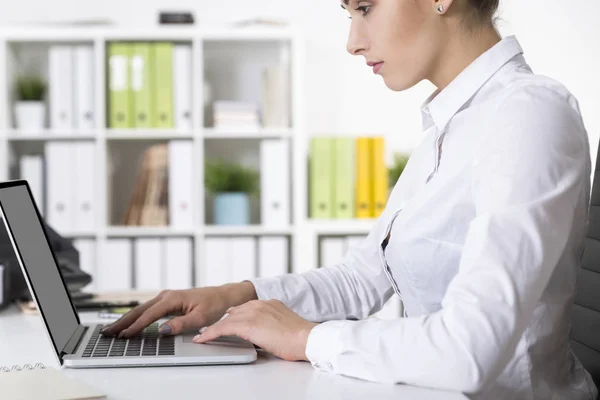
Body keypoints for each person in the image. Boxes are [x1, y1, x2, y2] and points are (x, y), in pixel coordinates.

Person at [101, 0, 598, 398]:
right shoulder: (448, 129)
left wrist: (305, 338)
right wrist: (237, 297)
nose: (352, 42)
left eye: (365, 9)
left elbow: (471, 350)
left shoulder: (528, 114)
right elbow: (364, 277)